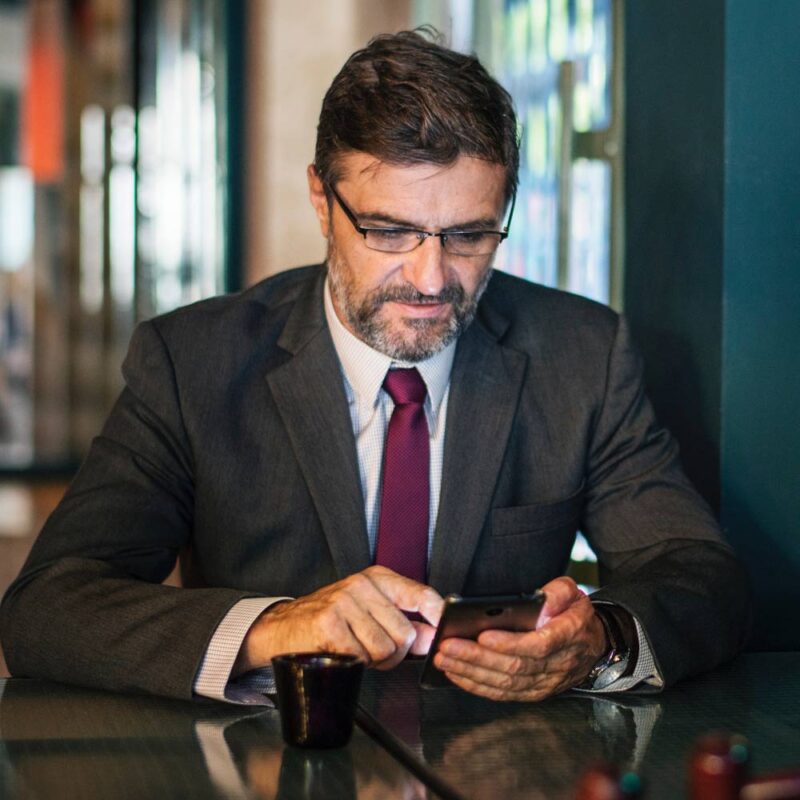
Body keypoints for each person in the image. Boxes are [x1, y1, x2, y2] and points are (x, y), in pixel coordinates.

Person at [0, 29, 749, 705]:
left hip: (501, 769)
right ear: (323, 201)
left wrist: (601, 640)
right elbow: (46, 610)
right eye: (390, 231)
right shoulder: (192, 363)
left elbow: (700, 575)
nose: (429, 279)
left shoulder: (583, 354)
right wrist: (276, 627)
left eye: (469, 237)